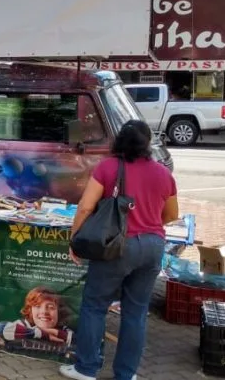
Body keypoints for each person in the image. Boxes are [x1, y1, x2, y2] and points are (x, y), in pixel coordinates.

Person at [60, 120, 179, 380]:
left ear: (119, 141)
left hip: (117, 246)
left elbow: (85, 207)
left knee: (95, 306)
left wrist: (75, 239)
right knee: (135, 313)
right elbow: (171, 215)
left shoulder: (108, 167)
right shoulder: (163, 173)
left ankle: (86, 369)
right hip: (152, 247)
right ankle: (126, 374)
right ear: (147, 144)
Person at [0, 287, 73, 346]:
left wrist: (50, 331)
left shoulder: (63, 329)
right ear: (30, 310)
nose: (44, 312)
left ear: (59, 312)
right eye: (37, 306)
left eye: (50, 307)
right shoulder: (23, 325)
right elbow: (2, 328)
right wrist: (41, 334)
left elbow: (79, 341)